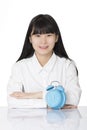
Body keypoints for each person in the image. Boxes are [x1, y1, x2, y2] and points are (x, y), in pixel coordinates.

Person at [7, 14, 82, 109]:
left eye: (49, 35)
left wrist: (33, 95)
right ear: (30, 38)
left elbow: (73, 99)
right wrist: (49, 102)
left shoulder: (67, 65)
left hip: (60, 123)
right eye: (38, 35)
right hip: (28, 123)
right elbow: (12, 101)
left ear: (56, 38)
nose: (43, 41)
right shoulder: (19, 67)